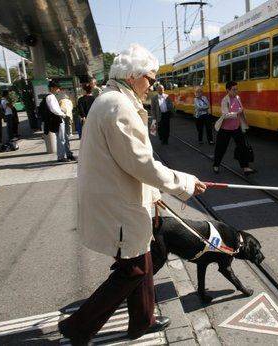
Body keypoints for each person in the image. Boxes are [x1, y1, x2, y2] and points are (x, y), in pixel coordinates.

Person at [57, 43, 207, 344]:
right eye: (150, 78)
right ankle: (77, 327)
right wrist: (184, 183)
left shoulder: (110, 100)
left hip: (117, 199)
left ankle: (143, 321)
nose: (152, 85)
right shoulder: (118, 106)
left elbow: (129, 161)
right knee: (135, 269)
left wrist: (152, 195)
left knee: (145, 261)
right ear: (133, 75)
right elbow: (140, 162)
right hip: (118, 205)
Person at [213, 81, 256, 175]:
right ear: (228, 90)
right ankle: (216, 165)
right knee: (221, 148)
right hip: (225, 129)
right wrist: (237, 113)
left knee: (242, 147)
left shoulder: (237, 98)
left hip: (236, 128)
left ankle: (246, 167)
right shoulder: (225, 100)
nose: (236, 91)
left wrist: (242, 121)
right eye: (234, 89)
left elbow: (240, 110)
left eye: (237, 89)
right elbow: (225, 115)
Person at [44, 81, 75, 162]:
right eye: (57, 88)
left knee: (65, 138)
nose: (58, 90)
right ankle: (61, 156)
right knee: (61, 138)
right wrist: (62, 114)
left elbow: (56, 108)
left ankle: (68, 154)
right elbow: (53, 109)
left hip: (59, 119)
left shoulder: (52, 96)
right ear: (52, 88)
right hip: (57, 120)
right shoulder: (50, 97)